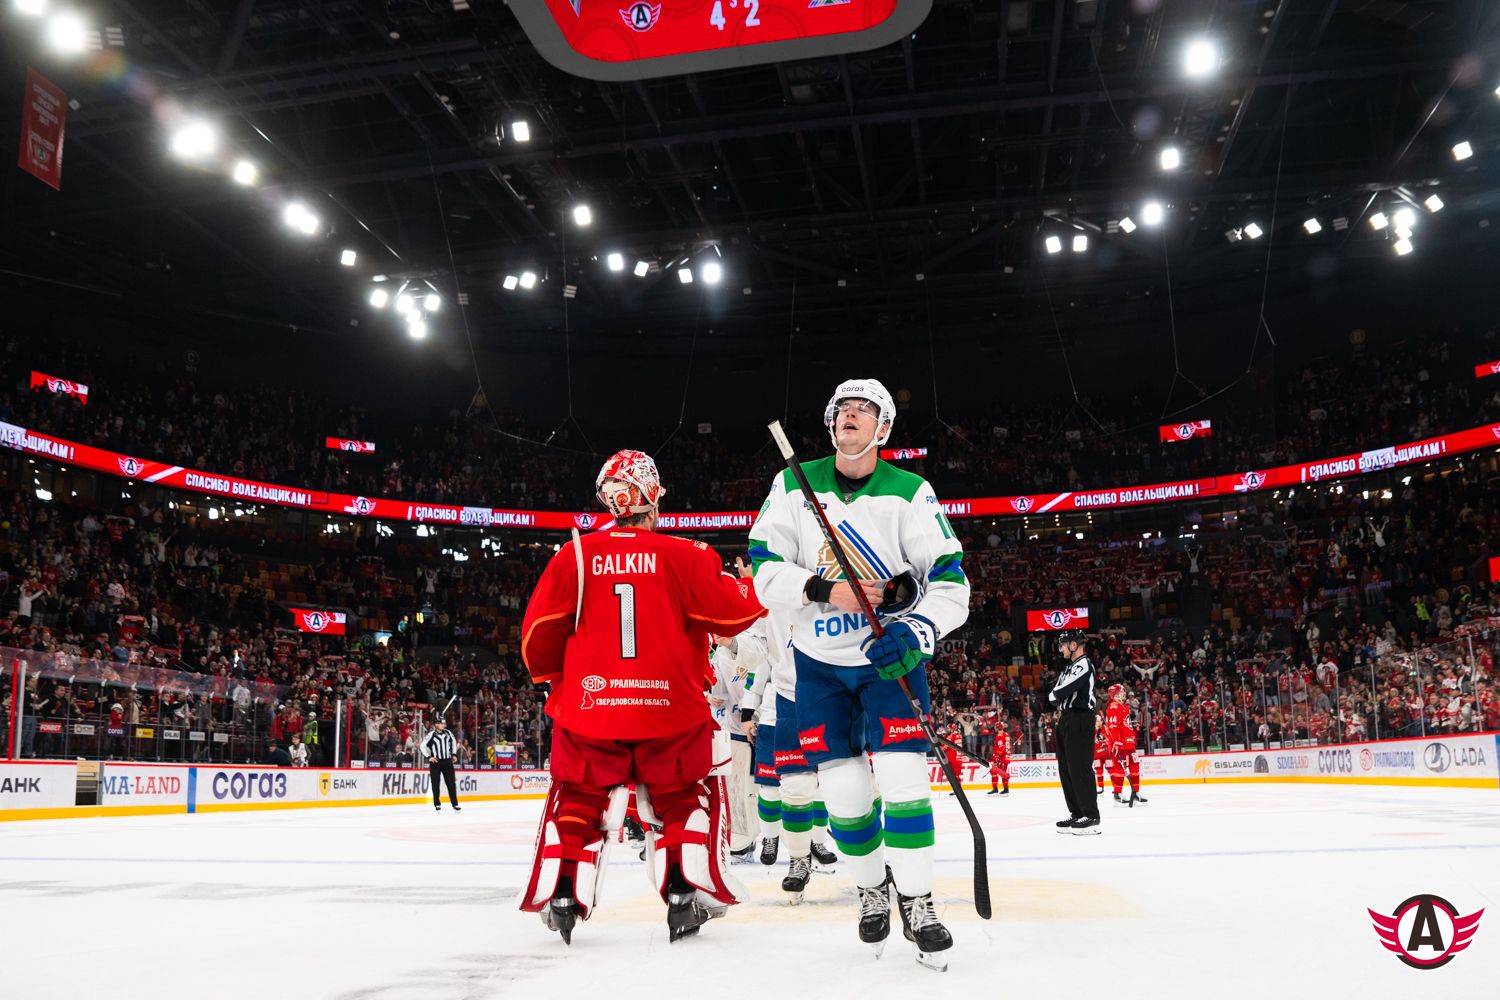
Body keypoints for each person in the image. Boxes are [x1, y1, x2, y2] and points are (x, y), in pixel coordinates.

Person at [749, 377, 970, 969]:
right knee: (845, 797)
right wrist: (826, 589)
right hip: (817, 667)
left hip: (887, 662)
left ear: (883, 428)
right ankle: (873, 888)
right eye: (841, 409)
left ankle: (917, 900)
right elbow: (763, 570)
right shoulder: (792, 485)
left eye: (863, 410)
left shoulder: (910, 492)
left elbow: (951, 583)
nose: (849, 415)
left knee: (903, 781)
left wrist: (916, 630)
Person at [518, 449, 766, 945]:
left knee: (577, 797)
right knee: (682, 796)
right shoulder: (686, 555)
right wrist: (748, 581)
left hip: (591, 711)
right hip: (671, 711)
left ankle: (563, 893)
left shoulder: (574, 555)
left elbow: (537, 637)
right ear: (653, 496)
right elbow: (734, 614)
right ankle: (683, 891)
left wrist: (567, 681)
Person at [1050, 629, 1100, 835]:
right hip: (1066, 719)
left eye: (1063, 644)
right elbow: (1053, 695)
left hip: (1080, 718)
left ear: (1074, 645)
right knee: (1067, 770)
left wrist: (1056, 695)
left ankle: (1091, 816)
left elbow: (1060, 692)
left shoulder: (1083, 664)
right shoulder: (1068, 668)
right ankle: (1077, 812)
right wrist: (1056, 695)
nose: (1060, 649)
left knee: (1080, 768)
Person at [1103, 684, 1148, 806]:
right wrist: (1116, 742)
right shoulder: (1114, 707)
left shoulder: (1123, 706)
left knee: (1135, 765)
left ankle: (1136, 793)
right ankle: (1117, 794)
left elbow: (1124, 725)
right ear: (1115, 694)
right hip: (1120, 744)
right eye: (1122, 691)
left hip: (1128, 743)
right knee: (1119, 769)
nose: (1124, 693)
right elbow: (1113, 727)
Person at [422, 716, 461, 812]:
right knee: (435, 784)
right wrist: (429, 757)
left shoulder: (448, 733)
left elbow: (454, 742)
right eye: (441, 723)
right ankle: (437, 804)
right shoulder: (431, 734)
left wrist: (454, 754)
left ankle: (455, 804)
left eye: (444, 723)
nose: (443, 725)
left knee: (451, 783)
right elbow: (422, 746)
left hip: (447, 761)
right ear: (436, 724)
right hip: (436, 762)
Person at [988, 722, 1011, 795]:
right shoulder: (1006, 734)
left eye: (995, 727)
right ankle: (1002, 789)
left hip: (1001, 758)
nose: (994, 728)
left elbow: (1001, 749)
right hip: (1006, 757)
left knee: (1000, 772)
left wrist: (997, 757)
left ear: (998, 728)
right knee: (997, 772)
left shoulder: (999, 736)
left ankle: (1003, 789)